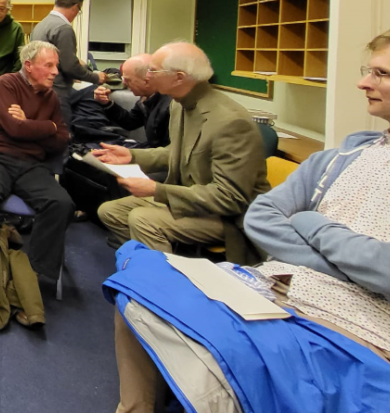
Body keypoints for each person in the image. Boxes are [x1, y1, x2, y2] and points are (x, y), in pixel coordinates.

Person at [111, 27, 390, 413]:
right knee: (136, 294)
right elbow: (263, 218)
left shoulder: (228, 120)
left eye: (381, 74)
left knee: (218, 363)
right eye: (367, 71)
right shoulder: (339, 158)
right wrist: (357, 261)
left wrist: (310, 224)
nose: (361, 82)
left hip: (363, 324)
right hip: (277, 288)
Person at [94, 42, 269, 263]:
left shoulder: (230, 122)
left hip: (228, 218)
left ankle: (167, 287)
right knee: (110, 212)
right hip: (191, 200)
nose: (148, 75)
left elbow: (230, 198)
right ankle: (158, 267)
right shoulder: (180, 105)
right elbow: (178, 153)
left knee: (143, 219)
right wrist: (133, 157)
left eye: (154, 70)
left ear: (178, 77)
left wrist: (158, 190)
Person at [0, 40, 74, 286]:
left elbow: (61, 140)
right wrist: (46, 128)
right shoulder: (6, 83)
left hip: (31, 164)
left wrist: (34, 125)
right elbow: (13, 127)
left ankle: (33, 274)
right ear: (29, 66)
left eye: (56, 66)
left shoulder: (51, 97)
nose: (55, 72)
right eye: (48, 65)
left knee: (61, 203)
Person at [32, 0, 106, 122]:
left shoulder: (41, 25)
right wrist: (96, 77)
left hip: (40, 91)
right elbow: (69, 67)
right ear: (76, 7)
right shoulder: (63, 28)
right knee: (61, 135)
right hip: (57, 92)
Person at [93, 54, 171, 148]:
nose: (124, 83)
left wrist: (133, 155)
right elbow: (130, 122)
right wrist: (107, 103)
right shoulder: (146, 98)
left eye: (127, 79)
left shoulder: (170, 106)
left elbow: (167, 150)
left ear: (146, 81)